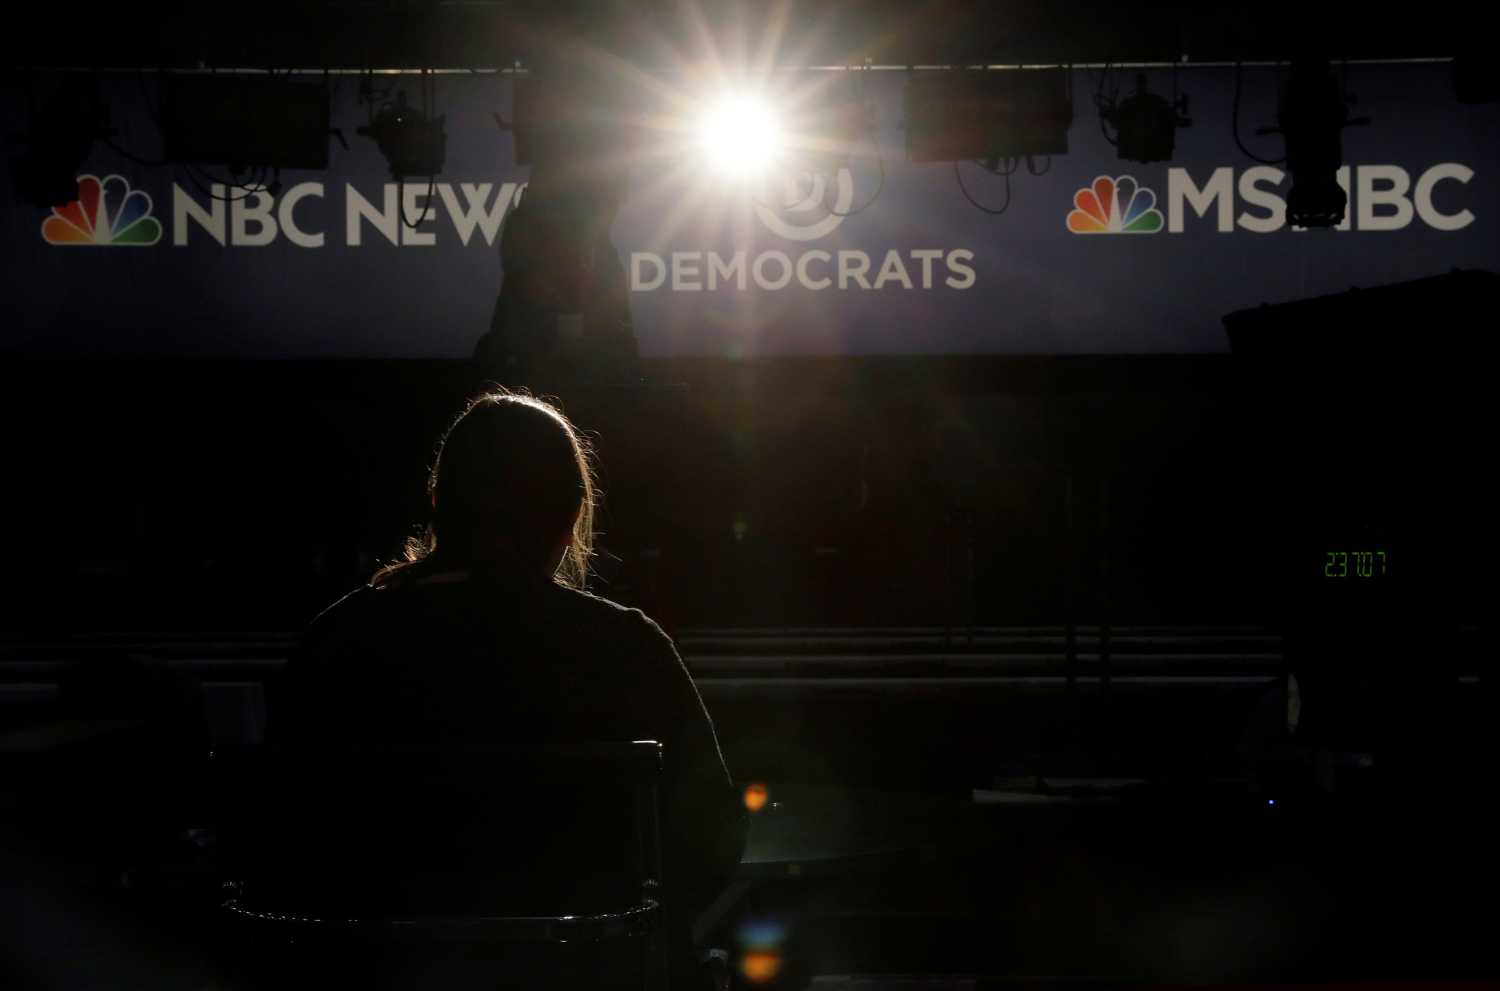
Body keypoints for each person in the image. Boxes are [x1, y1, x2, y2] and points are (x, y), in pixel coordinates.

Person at [270, 389, 745, 986]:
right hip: (584, 970)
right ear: (572, 514)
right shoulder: (627, 649)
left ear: (439, 502)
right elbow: (711, 840)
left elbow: (279, 837)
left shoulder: (336, 642)